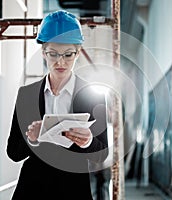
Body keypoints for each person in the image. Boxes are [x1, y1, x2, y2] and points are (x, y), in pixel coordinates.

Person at [6, 10, 109, 200]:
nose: (60, 62)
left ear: (77, 52)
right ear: (44, 52)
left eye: (68, 54)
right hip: (32, 190)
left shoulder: (92, 95)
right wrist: (32, 139)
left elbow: (101, 155)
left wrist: (87, 141)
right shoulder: (26, 95)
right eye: (53, 54)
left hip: (74, 190)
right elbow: (13, 152)